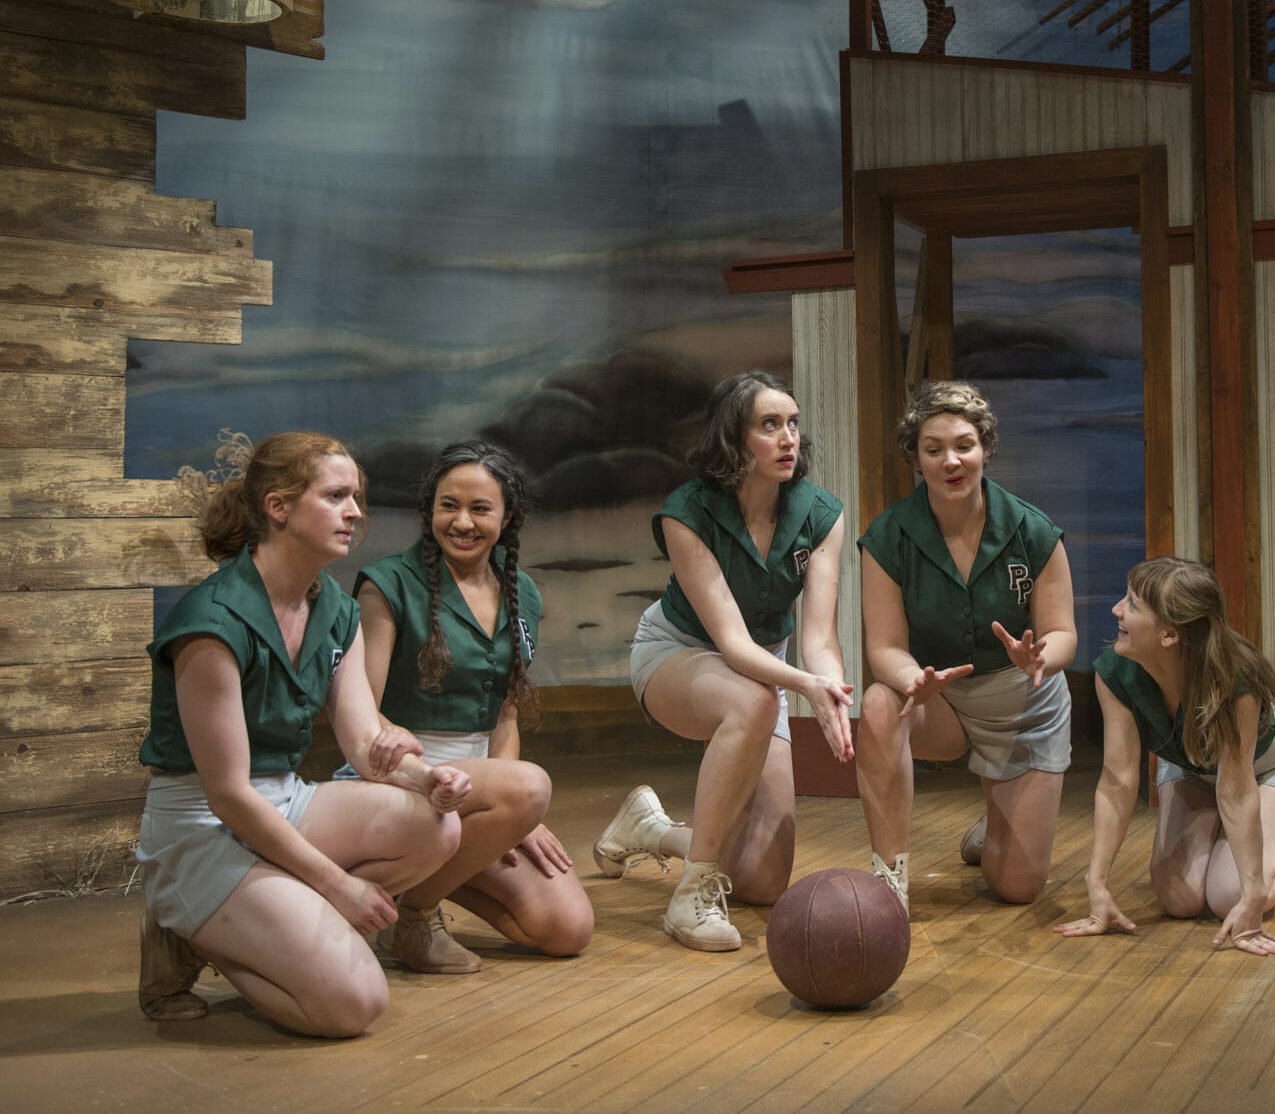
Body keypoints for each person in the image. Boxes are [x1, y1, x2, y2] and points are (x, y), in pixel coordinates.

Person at [134, 431, 469, 1037]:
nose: (355, 512)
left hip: (283, 799)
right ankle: (192, 930)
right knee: (352, 1005)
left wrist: (427, 778)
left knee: (437, 825)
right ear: (278, 507)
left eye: (357, 497)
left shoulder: (337, 610)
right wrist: (336, 886)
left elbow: (364, 743)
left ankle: (264, 923)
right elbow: (228, 795)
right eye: (336, 496)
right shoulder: (212, 622)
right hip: (201, 823)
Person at [591, 370, 852, 952]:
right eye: (769, 425)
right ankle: (689, 898)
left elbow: (820, 637)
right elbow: (732, 645)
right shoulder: (686, 512)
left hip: (765, 676)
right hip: (679, 652)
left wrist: (830, 687)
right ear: (734, 439)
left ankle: (653, 830)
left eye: (793, 423)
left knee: (762, 881)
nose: (788, 438)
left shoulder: (821, 514)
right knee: (755, 700)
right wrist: (804, 686)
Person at [348, 440, 593, 972]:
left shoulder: (521, 590)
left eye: (480, 508)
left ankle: (415, 888)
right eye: (448, 505)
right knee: (528, 787)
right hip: (399, 780)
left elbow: (505, 712)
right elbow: (361, 712)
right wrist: (515, 797)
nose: (462, 522)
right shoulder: (387, 584)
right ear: (429, 509)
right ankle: (413, 917)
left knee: (566, 928)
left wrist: (514, 819)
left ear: (507, 517)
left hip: (481, 795)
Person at [856, 379, 1076, 910]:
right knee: (879, 703)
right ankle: (890, 877)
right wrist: (912, 678)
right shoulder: (888, 537)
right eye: (934, 450)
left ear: (986, 449)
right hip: (942, 703)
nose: (951, 461)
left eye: (964, 445)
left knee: (1016, 889)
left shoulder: (1033, 531)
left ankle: (998, 820)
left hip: (1024, 707)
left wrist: (1040, 657)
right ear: (915, 459)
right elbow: (884, 646)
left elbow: (1063, 633)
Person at [1053, 557, 1275, 954]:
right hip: (1189, 767)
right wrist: (1097, 885)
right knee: (1179, 900)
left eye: (1132, 604)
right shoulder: (1115, 671)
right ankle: (1233, 840)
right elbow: (1117, 780)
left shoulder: (1237, 678)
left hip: (1267, 769)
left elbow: (1236, 791)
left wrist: (1254, 896)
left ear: (1169, 635)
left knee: (1231, 897)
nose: (1116, 610)